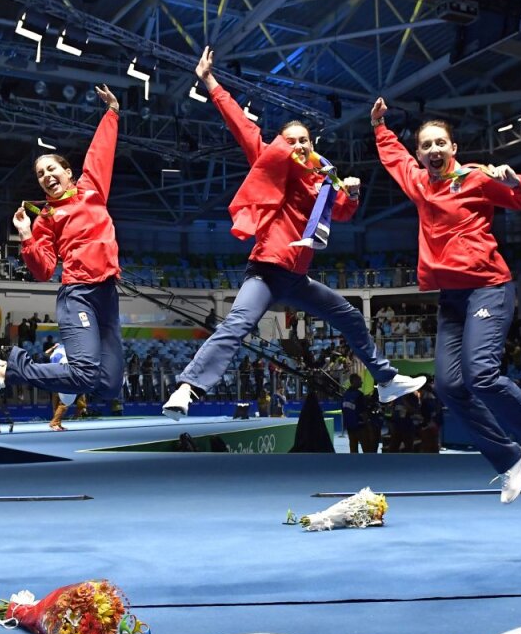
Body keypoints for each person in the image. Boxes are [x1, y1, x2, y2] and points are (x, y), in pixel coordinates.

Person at [162, 48, 422, 418]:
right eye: (291, 141)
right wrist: (209, 82)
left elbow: (343, 214)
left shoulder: (323, 180)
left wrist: (352, 192)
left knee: (348, 316)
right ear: (281, 146)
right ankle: (187, 389)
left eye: (304, 140)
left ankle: (385, 380)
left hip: (298, 279)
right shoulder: (274, 162)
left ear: (313, 146)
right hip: (267, 270)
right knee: (237, 323)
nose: (298, 145)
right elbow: (241, 125)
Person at [372, 97, 521, 503]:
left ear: (453, 148)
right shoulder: (417, 182)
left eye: (440, 144)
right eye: (426, 145)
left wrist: (517, 182)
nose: (433, 150)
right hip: (452, 298)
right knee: (449, 386)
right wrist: (379, 126)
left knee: (480, 373)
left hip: (489, 286)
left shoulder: (477, 179)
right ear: (420, 153)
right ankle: (510, 458)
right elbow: (393, 158)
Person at [0, 85, 124, 410]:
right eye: (40, 174)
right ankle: (3, 369)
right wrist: (26, 235)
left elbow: (100, 152)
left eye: (51, 169)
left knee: (109, 386)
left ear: (68, 172)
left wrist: (112, 112)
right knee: (83, 376)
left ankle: (64, 355)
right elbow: (42, 272)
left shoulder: (91, 188)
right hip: (77, 295)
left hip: (107, 295)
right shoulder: (46, 218)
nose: (46, 176)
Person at [341, 373, 376, 454]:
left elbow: (344, 411)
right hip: (361, 427)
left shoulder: (345, 395)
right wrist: (369, 427)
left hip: (350, 427)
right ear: (354, 381)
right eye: (360, 380)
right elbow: (363, 412)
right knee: (367, 450)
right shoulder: (359, 395)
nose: (361, 382)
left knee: (353, 451)